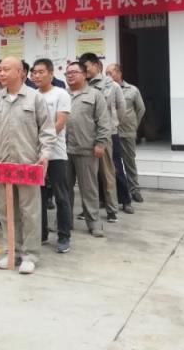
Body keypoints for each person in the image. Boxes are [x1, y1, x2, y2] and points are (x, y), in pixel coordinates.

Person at [0, 57, 57, 275]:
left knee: (29, 212)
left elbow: (47, 130)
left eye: (6, 69)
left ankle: (30, 255)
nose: (1, 73)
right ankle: (11, 250)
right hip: (3, 164)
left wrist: (45, 155)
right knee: (5, 211)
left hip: (27, 164)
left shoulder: (35, 98)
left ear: (20, 72)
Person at [79, 52, 128, 222]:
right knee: (88, 177)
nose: (84, 70)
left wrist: (111, 126)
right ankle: (89, 209)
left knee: (108, 173)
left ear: (96, 65)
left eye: (86, 67)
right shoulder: (82, 85)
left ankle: (112, 209)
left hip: (106, 135)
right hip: (85, 136)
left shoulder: (111, 85)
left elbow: (121, 110)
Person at [65, 61, 110, 239]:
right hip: (64, 150)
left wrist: (101, 143)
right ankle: (65, 221)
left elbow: (103, 121)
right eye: (68, 73)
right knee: (65, 189)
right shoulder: (62, 94)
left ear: (84, 75)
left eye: (74, 72)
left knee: (89, 189)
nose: (70, 75)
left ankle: (94, 223)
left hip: (87, 149)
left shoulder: (95, 95)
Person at [31, 58, 72, 253]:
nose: (36, 76)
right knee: (37, 196)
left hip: (56, 154)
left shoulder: (60, 94)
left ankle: (64, 236)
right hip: (34, 154)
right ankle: (42, 233)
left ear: (51, 73)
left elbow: (60, 123)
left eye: (41, 72)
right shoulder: (31, 95)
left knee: (61, 196)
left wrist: (43, 142)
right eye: (34, 73)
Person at [107, 63, 146, 203]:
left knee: (129, 162)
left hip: (127, 132)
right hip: (112, 132)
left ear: (119, 73)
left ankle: (134, 190)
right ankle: (118, 192)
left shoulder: (132, 90)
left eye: (110, 73)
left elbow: (141, 109)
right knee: (114, 164)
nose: (108, 76)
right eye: (106, 73)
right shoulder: (106, 90)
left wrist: (134, 125)